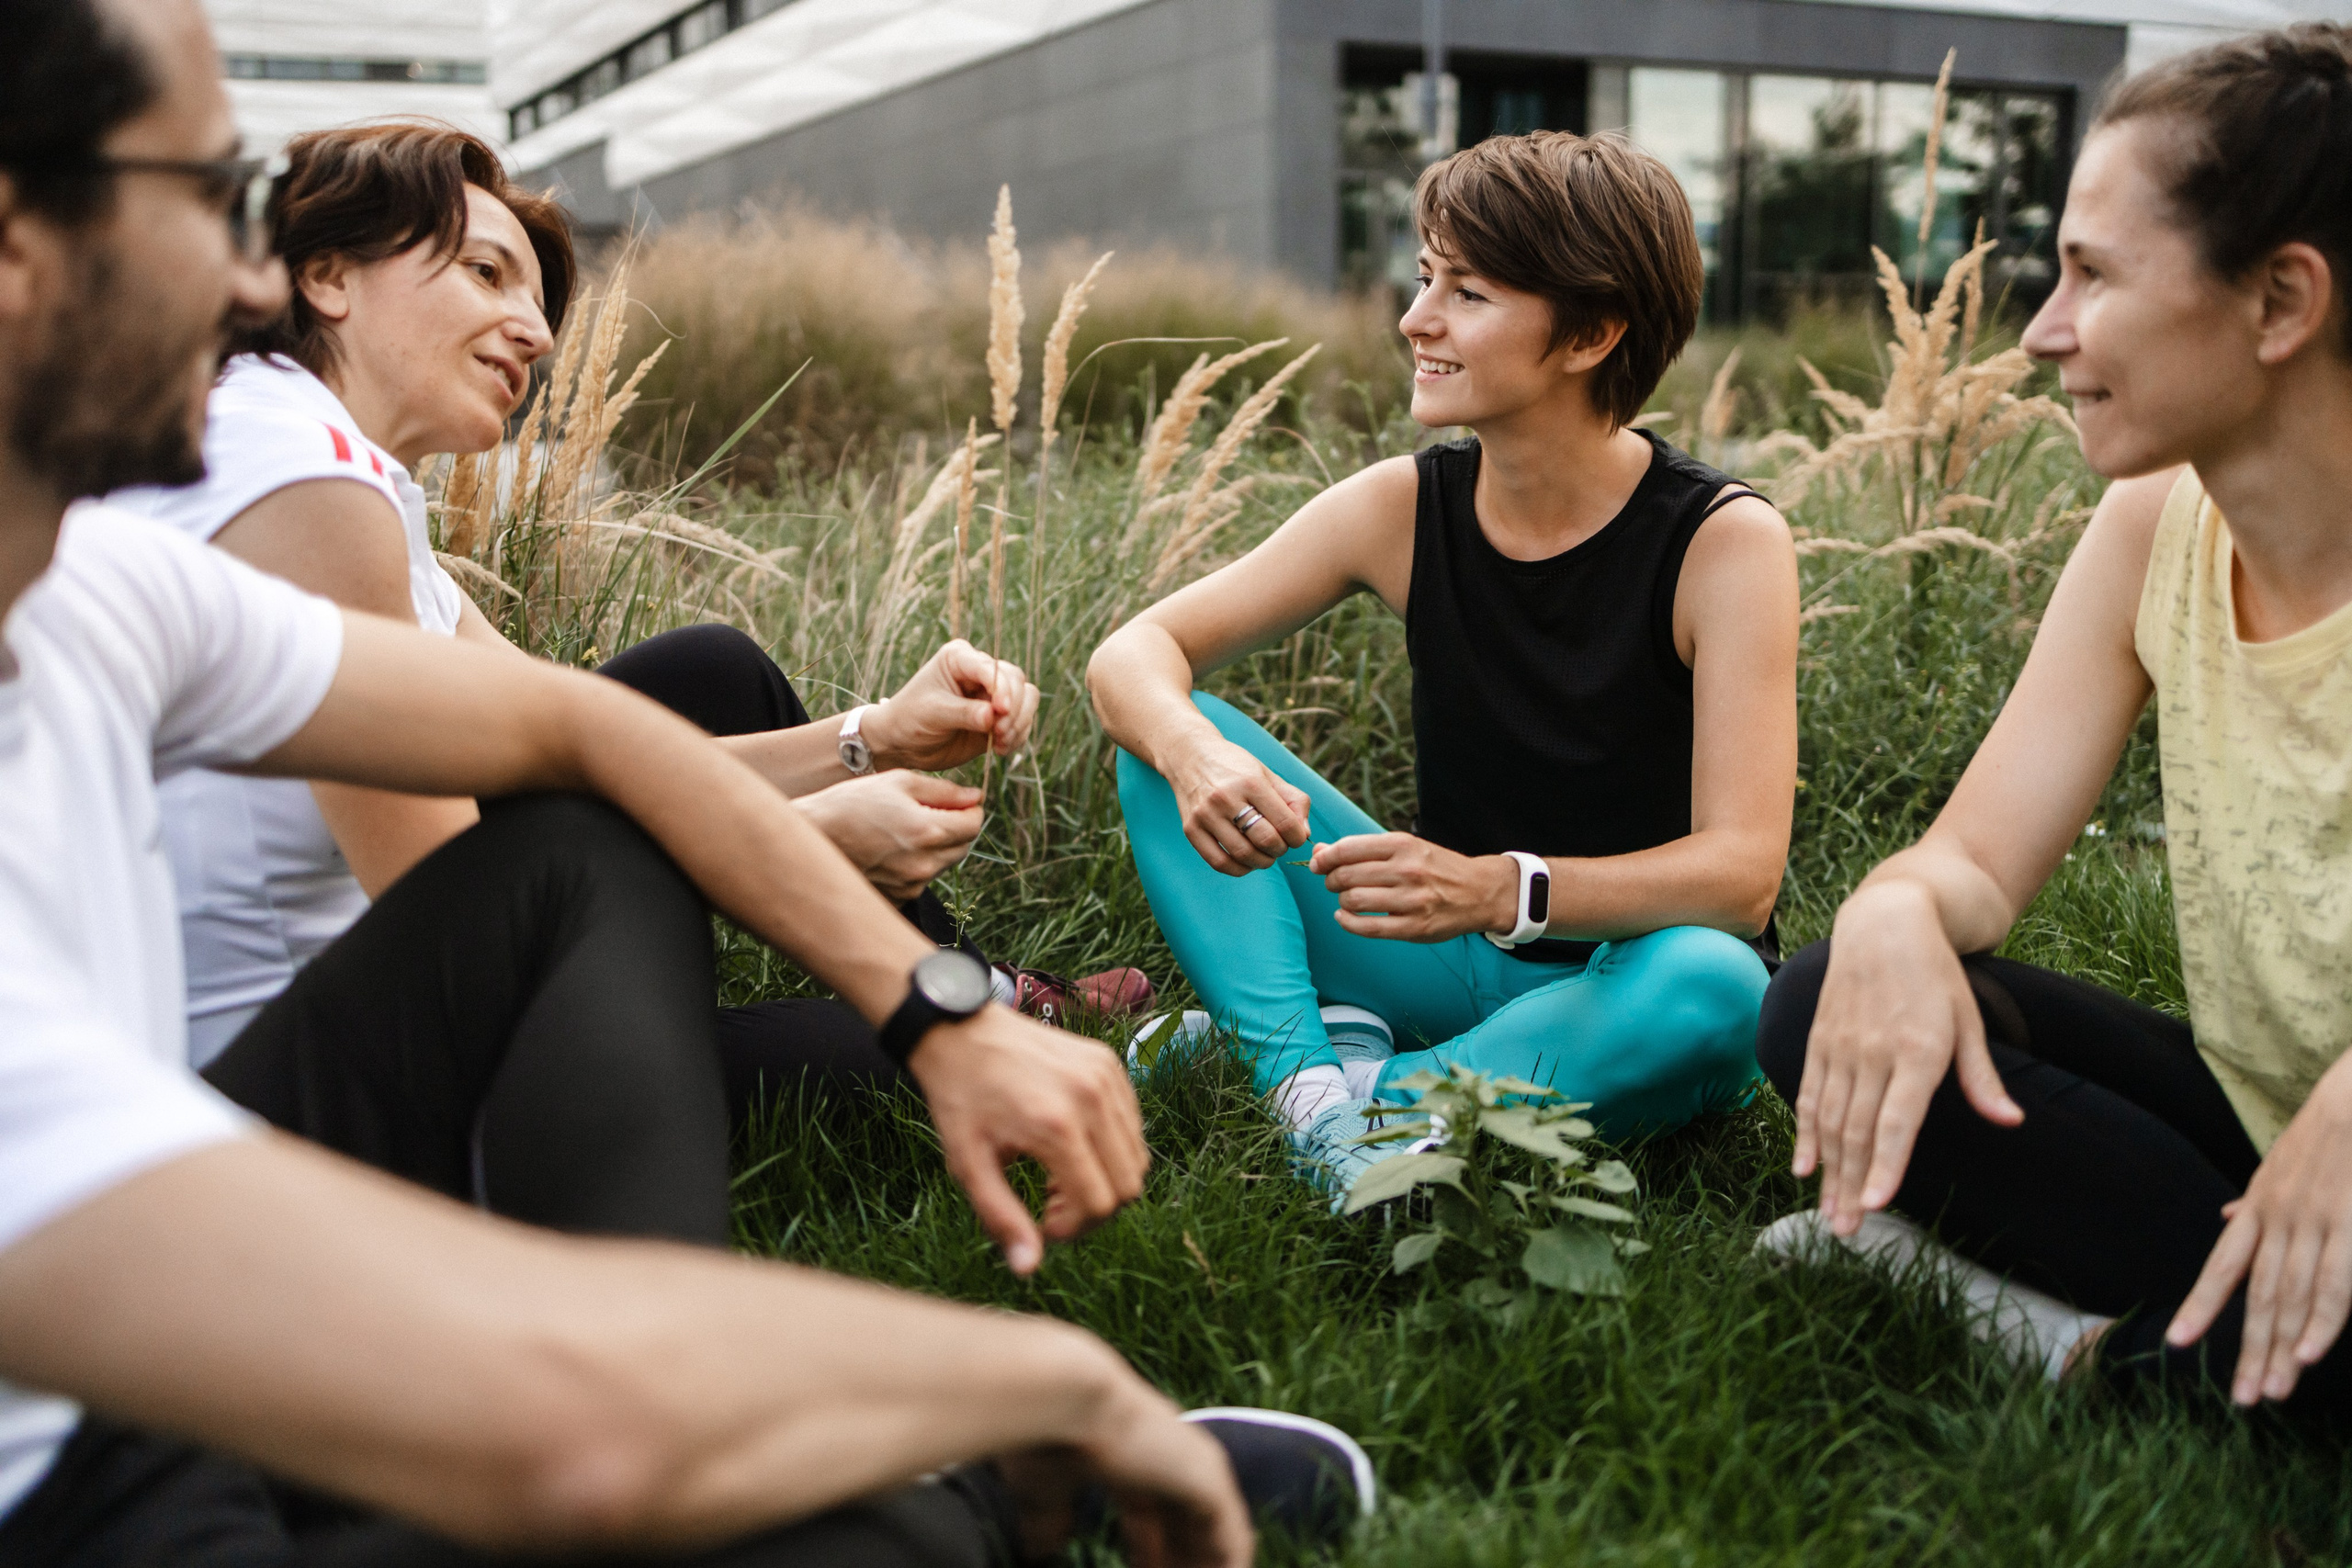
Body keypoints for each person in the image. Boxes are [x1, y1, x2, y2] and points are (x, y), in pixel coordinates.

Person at [0, 0, 1372, 1560]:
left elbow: (580, 728)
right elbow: (575, 1425)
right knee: (801, 1522)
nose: (245, 274)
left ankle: (907, 1413)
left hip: (159, 1320)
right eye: (202, 194)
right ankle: (969, 1495)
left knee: (605, 815)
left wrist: (932, 988)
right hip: (114, 1441)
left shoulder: (109, 590)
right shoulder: (291, 468)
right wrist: (1053, 1383)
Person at [100, 118, 1148, 1089]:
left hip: (389, 990)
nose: (534, 334)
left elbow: (575, 749)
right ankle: (989, 1029)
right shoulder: (299, 481)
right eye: (484, 273)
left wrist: (873, 737)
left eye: (536, 301)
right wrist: (807, 840)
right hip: (304, 1074)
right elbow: (455, 908)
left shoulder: (332, 467)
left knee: (708, 670)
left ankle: (986, 998)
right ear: (327, 274)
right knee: (858, 1062)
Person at [1753, 23, 2352, 1413]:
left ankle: (2058, 1335)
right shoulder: (2155, 522)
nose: (2042, 329)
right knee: (1822, 989)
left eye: (2092, 273)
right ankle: (2252, 1312)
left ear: (2279, 302)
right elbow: (1972, 859)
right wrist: (1900, 911)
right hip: (2256, 1127)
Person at [1089, 130, 1798, 1200]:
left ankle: (1353, 1071)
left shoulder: (1723, 543)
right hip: (1441, 959)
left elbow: (1741, 881)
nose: (1415, 319)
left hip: (1620, 975)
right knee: (1164, 743)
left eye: (1466, 292)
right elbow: (1134, 654)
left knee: (1722, 988)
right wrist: (1193, 753)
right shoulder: (1401, 507)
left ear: (1591, 333)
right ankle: (1311, 1102)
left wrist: (1492, 888)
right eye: (1425, 279)